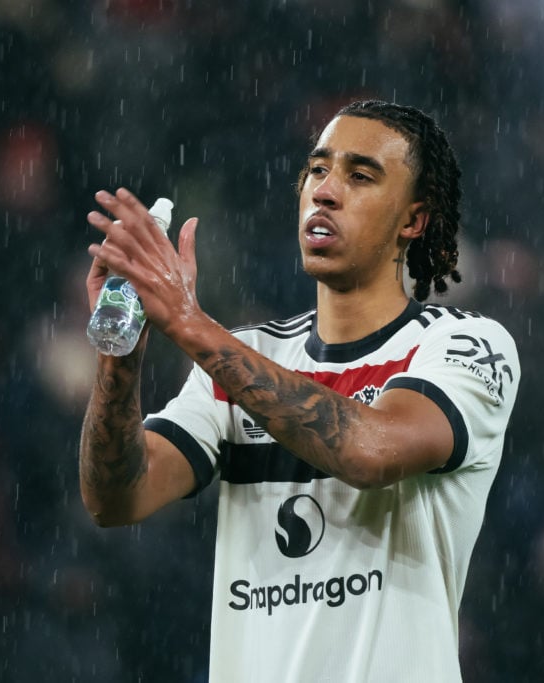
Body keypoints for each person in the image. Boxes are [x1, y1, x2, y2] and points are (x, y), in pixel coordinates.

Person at [79, 99, 521, 682]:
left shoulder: (465, 344)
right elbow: (116, 499)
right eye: (317, 169)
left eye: (360, 175)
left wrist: (188, 323)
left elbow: (370, 451)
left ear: (414, 219)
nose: (326, 191)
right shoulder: (242, 355)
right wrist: (120, 361)